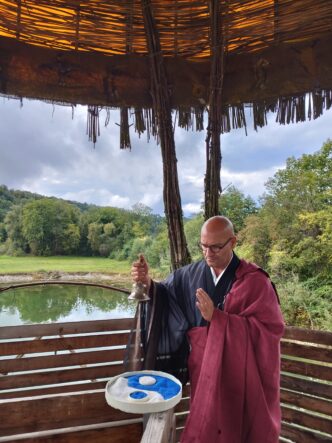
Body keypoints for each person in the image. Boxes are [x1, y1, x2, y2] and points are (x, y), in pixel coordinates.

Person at [131, 216, 284, 443]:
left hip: (239, 374)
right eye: (203, 246)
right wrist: (148, 284)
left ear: (233, 242)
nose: (208, 253)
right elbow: (166, 298)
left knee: (237, 426)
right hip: (204, 368)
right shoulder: (188, 276)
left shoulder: (255, 282)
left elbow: (269, 331)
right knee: (206, 423)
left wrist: (218, 319)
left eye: (215, 247)